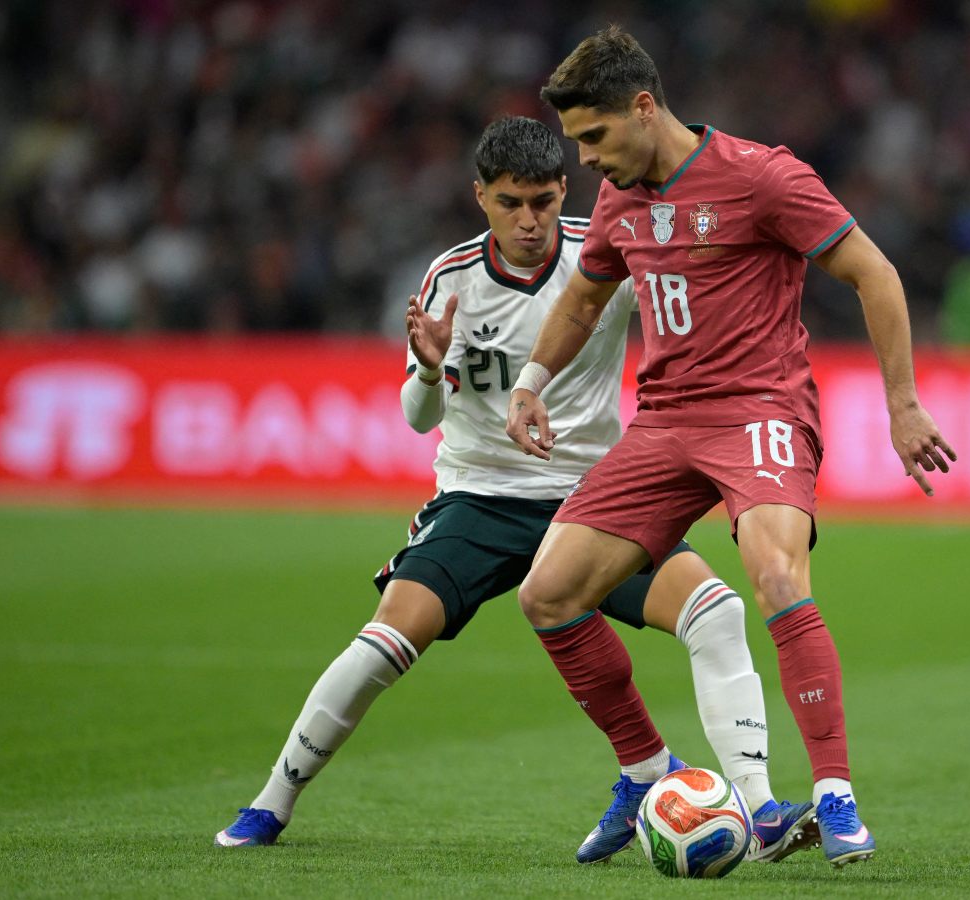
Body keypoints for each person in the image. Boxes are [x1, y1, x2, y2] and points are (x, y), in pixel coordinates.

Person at [214, 115, 818, 865]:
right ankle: (272, 801)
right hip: (479, 497)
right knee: (382, 644)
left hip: (596, 496)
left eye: (541, 199)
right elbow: (417, 417)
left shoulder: (611, 249)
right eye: (510, 203)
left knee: (717, 613)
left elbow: (680, 317)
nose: (528, 220)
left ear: (565, 188)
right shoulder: (453, 277)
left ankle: (756, 812)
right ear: (481, 197)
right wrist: (431, 368)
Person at [507, 27, 957, 869]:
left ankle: (834, 797)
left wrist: (902, 406)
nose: (586, 159)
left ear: (645, 108)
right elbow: (580, 302)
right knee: (548, 594)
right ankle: (647, 770)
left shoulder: (762, 176)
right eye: (577, 142)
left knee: (778, 574)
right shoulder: (617, 199)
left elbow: (875, 272)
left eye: (594, 137)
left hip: (760, 409)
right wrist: (531, 380)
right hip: (665, 422)